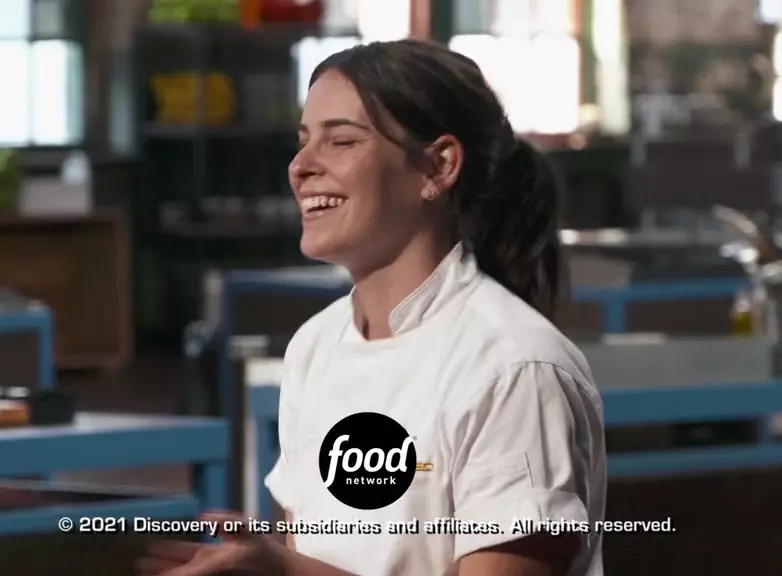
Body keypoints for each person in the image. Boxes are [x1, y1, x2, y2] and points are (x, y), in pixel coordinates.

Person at [138, 38, 605, 576]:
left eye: (341, 141)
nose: (301, 166)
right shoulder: (315, 346)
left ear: (438, 167)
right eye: (302, 141)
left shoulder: (514, 368)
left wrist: (286, 572)